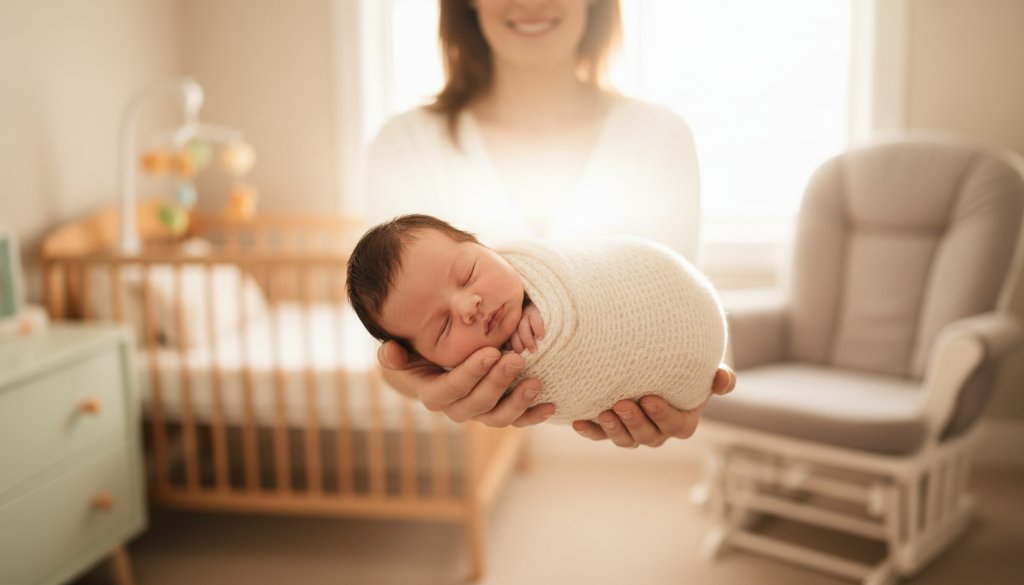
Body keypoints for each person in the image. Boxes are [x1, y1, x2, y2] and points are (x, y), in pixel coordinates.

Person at [362, 0, 735, 447]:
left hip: (624, 465)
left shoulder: (660, 136)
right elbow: (391, 354)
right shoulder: (407, 144)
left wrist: (690, 378)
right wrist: (424, 382)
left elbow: (677, 302)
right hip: (476, 461)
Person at [347, 215, 728, 425]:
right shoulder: (476, 373)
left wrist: (538, 301)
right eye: (443, 327)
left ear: (484, 246)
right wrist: (418, 384)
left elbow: (570, 278)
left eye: (468, 275)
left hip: (665, 287)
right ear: (427, 358)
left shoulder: (534, 263)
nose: (468, 306)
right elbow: (398, 373)